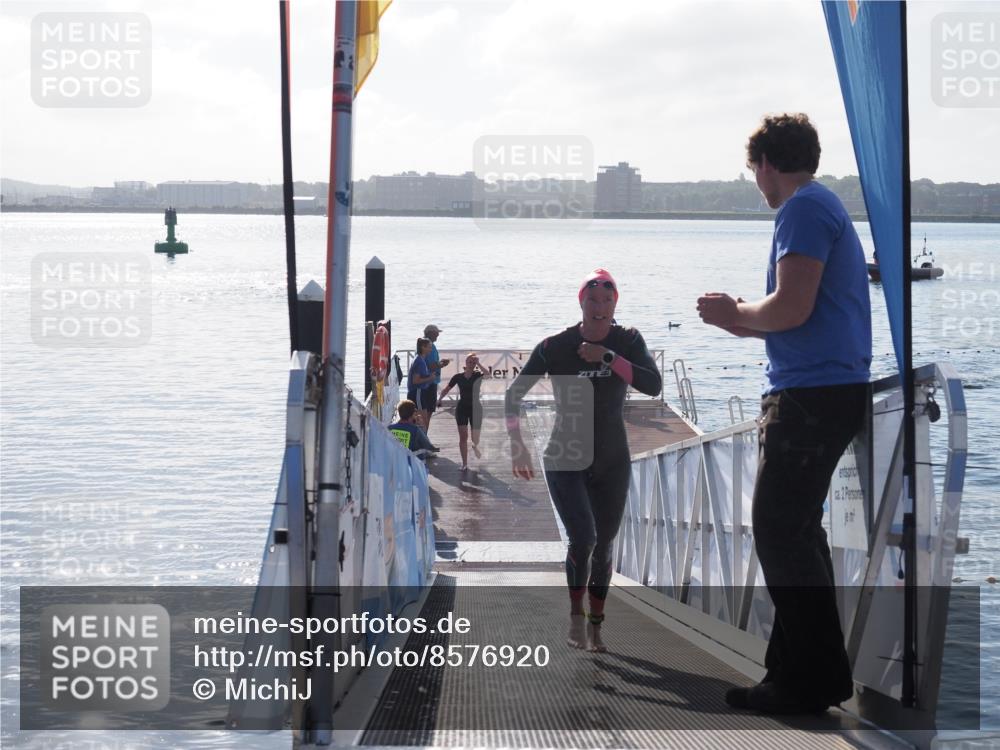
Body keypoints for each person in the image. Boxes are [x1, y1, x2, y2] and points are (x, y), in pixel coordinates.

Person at [696, 113, 871, 715]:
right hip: (823, 389)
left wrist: (735, 309)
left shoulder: (800, 209)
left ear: (767, 162)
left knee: (778, 530)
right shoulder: (821, 206)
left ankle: (815, 678)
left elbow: (791, 307)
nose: (756, 182)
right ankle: (792, 675)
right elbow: (799, 317)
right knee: (796, 532)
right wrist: (742, 320)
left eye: (753, 171)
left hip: (811, 398)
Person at [506, 269, 662, 652]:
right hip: (565, 454)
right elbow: (513, 396)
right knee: (584, 538)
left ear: (615, 304)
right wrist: (518, 445)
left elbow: (653, 386)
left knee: (605, 545)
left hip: (612, 458)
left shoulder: (628, 340)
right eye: (593, 301)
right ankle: (575, 613)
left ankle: (596, 624)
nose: (600, 308)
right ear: (581, 302)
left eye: (607, 301)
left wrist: (607, 357)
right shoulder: (554, 346)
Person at [437, 353, 492, 471]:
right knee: (463, 436)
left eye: (473, 362)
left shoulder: (478, 375)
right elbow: (447, 389)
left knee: (475, 437)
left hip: (476, 408)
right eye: (470, 362)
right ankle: (464, 464)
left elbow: (488, 375)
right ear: (465, 363)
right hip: (462, 408)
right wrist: (440, 399)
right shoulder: (458, 377)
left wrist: (479, 363)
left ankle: (475, 445)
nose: (471, 364)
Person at [422, 325, 450, 434]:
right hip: (429, 383)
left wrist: (440, 363)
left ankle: (424, 437)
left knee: (427, 412)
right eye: (436, 333)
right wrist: (442, 363)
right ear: (430, 333)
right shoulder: (429, 345)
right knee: (427, 412)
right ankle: (424, 437)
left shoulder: (426, 344)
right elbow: (430, 365)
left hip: (429, 382)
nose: (438, 335)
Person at [407, 337, 437, 433]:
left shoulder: (420, 359)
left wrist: (429, 375)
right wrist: (430, 378)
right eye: (429, 347)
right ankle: (422, 443)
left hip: (420, 392)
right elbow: (415, 380)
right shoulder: (419, 361)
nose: (430, 349)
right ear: (423, 347)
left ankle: (423, 441)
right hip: (417, 392)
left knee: (421, 419)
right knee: (422, 420)